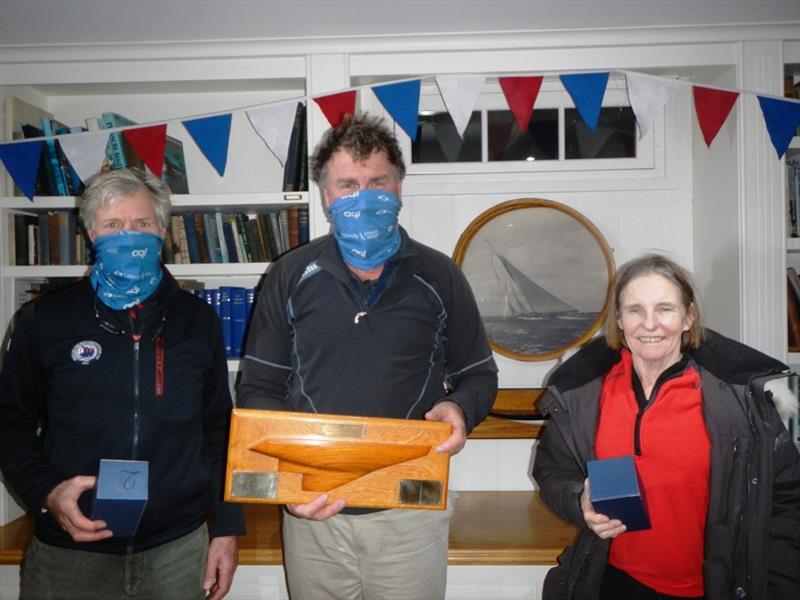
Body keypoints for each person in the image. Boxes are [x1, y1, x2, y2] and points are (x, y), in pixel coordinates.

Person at [238, 113, 498, 600]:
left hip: (411, 507)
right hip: (314, 504)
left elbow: (478, 373)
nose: (364, 195)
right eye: (348, 184)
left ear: (399, 188)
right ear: (327, 195)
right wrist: (290, 487)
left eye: (377, 181)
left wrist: (460, 409)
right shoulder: (289, 275)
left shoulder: (440, 276)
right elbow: (258, 391)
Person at [0, 168, 245, 600]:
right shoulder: (45, 320)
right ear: (91, 232)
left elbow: (218, 431)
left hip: (176, 549)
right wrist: (47, 493)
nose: (127, 236)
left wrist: (226, 528)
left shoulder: (197, 319)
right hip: (69, 551)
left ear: (163, 232)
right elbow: (10, 422)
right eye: (113, 225)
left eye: (141, 224)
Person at [533, 253, 800, 600]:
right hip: (610, 582)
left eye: (664, 308)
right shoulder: (584, 393)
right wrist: (578, 499)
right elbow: (551, 470)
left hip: (713, 588)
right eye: (635, 310)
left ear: (688, 317)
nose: (649, 323)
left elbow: (787, 500)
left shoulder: (738, 400)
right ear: (619, 319)